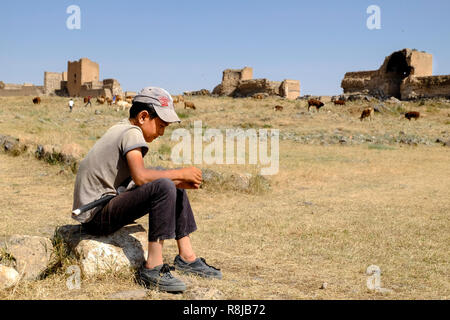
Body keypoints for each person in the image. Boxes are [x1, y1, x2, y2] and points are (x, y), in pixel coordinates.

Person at [72, 87, 221, 292]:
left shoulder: (123, 128)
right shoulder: (132, 133)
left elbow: (131, 180)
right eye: (161, 125)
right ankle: (153, 266)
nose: (161, 132)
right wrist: (180, 173)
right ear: (143, 117)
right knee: (166, 182)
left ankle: (187, 257)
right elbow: (141, 177)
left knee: (170, 181)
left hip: (103, 207)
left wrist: (178, 180)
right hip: (96, 215)